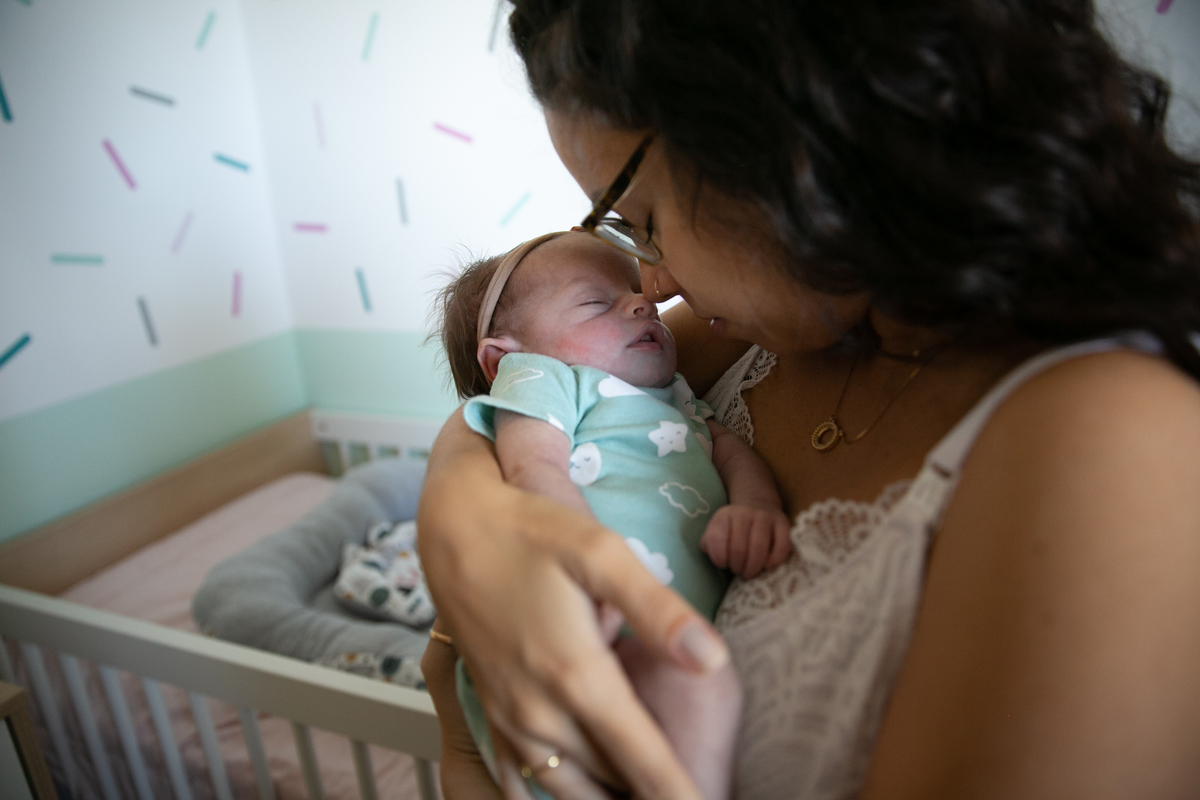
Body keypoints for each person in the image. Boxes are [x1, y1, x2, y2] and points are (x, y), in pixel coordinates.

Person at [417, 1, 1200, 798]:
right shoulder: (767, 328)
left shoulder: (1111, 444)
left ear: (784, 126)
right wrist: (457, 521)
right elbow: (526, 386)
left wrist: (470, 730)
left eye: (644, 222)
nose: (654, 287)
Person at [428, 229, 792, 799]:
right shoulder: (548, 380)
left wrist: (755, 506)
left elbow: (727, 449)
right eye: (597, 302)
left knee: (699, 691)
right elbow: (535, 471)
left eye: (632, 289)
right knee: (685, 694)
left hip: (655, 638)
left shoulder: (675, 395)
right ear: (507, 358)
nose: (643, 301)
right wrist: (579, 558)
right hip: (570, 622)